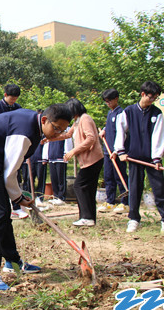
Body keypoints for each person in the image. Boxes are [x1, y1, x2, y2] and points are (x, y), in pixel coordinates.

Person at [0, 104, 72, 291]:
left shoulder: (35, 124)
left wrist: (17, 197)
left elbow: (10, 168)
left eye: (62, 131)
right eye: (56, 129)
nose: (57, 134)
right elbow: (10, 172)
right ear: (45, 120)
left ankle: (13, 262)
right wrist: (18, 198)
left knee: (3, 213)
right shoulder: (24, 132)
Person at [112, 81, 164, 237]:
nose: (152, 100)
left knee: (159, 189)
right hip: (134, 158)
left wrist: (156, 158)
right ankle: (134, 219)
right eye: (150, 97)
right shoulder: (128, 112)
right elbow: (120, 131)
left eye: (155, 98)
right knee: (134, 189)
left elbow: (158, 136)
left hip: (150, 159)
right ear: (142, 94)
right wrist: (120, 151)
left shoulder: (156, 113)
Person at [63, 98, 104, 227]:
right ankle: (88, 218)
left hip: (93, 159)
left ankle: (86, 217)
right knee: (88, 189)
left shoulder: (85, 118)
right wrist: (49, 138)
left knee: (79, 186)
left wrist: (73, 151)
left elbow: (91, 138)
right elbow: (67, 135)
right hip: (89, 161)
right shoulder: (77, 121)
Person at [0, 83, 26, 215]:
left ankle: (17, 207)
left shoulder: (18, 108)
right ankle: (4, 208)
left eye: (16, 99)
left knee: (15, 175)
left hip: (14, 146)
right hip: (1, 146)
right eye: (12, 98)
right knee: (2, 177)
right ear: (5, 95)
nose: (13, 101)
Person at [98, 89, 129, 214]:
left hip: (116, 152)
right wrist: (104, 130)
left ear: (116, 98)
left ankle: (125, 203)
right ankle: (110, 201)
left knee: (119, 177)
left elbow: (123, 133)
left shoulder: (122, 113)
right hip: (108, 151)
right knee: (108, 177)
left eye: (109, 101)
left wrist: (117, 150)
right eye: (106, 101)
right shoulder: (110, 113)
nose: (108, 103)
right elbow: (109, 126)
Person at [46, 136, 73, 205]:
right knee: (54, 179)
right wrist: (47, 156)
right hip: (52, 158)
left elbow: (68, 142)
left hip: (61, 158)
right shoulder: (51, 132)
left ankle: (61, 197)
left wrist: (67, 154)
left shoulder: (65, 131)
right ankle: (56, 196)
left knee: (61, 179)